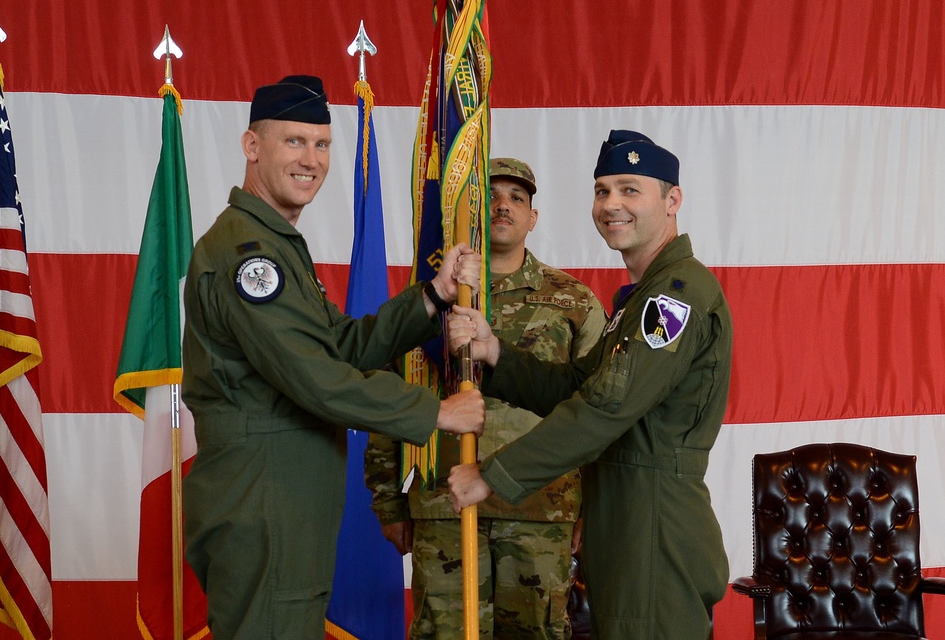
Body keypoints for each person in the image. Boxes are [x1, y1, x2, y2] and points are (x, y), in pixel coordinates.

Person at [181, 74, 486, 640]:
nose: (312, 160)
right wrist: (437, 413)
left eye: (321, 144)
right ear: (252, 147)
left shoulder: (276, 244)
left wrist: (432, 296)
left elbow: (342, 346)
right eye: (294, 141)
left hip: (285, 498)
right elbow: (317, 378)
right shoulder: (249, 256)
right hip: (264, 498)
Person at [447, 131, 732, 640]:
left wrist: (491, 475)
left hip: (653, 524)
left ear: (672, 201)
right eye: (602, 190)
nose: (611, 204)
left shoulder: (676, 295)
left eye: (629, 189)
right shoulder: (637, 300)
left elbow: (604, 409)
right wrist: (496, 355)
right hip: (622, 520)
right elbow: (578, 387)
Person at [365, 157, 607, 639]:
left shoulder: (574, 302)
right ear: (471, 212)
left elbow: (597, 410)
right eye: (491, 196)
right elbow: (388, 402)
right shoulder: (430, 299)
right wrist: (388, 502)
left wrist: (592, 510)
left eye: (517, 198)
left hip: (541, 509)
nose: (503, 206)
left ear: (533, 218)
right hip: (444, 506)